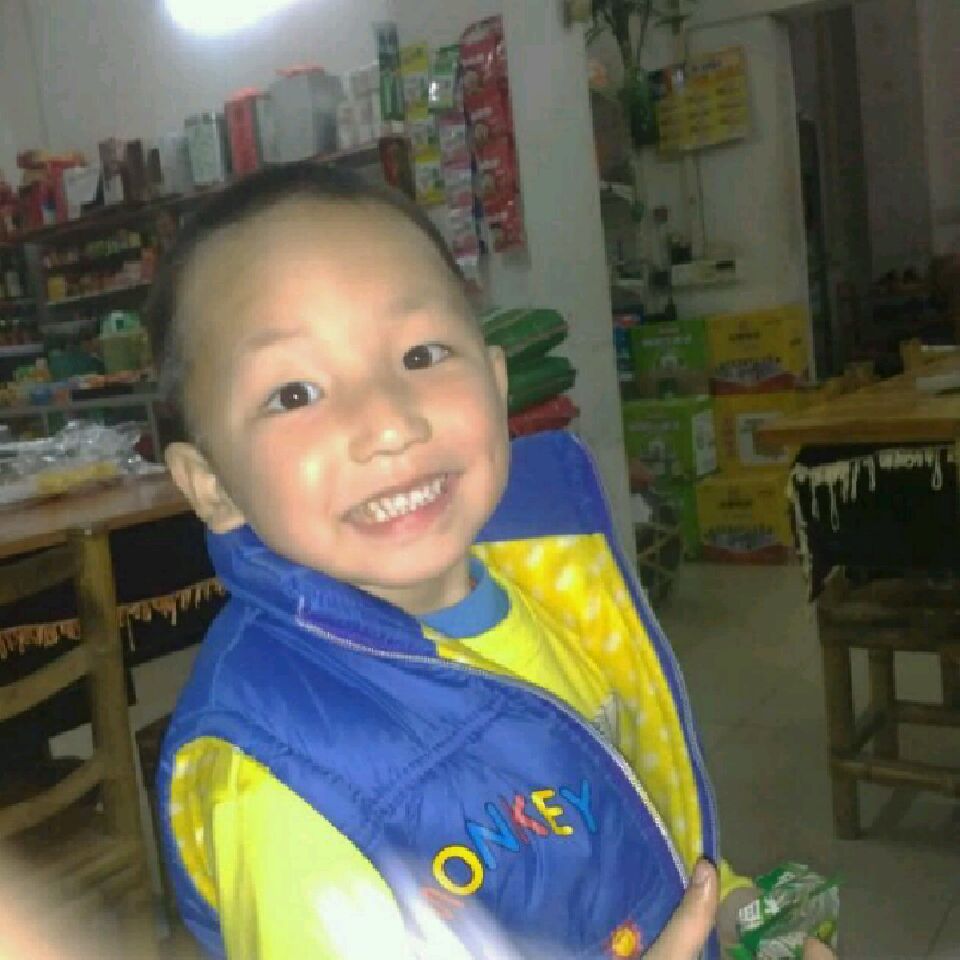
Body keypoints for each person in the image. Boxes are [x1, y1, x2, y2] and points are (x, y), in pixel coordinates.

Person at [148, 162, 834, 959]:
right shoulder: (286, 791)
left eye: (420, 354)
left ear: (498, 385)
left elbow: (621, 814)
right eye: (294, 393)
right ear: (212, 484)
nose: (388, 423)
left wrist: (729, 906)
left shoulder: (553, 587)